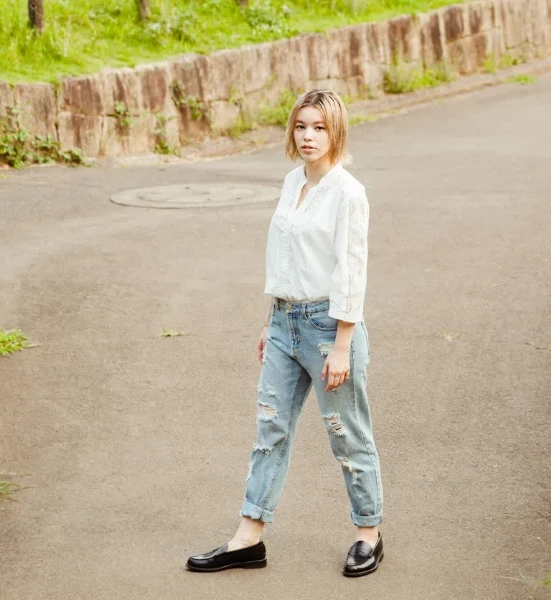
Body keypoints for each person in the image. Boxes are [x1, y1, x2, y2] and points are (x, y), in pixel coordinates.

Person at [186, 89, 384, 578]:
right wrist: (271, 321)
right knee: (270, 428)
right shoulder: (292, 180)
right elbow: (285, 256)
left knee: (346, 432)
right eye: (301, 126)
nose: (308, 136)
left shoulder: (347, 193)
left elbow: (351, 271)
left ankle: (368, 533)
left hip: (327, 328)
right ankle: (248, 537)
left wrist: (341, 344)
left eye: (319, 127)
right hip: (284, 323)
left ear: (336, 131)